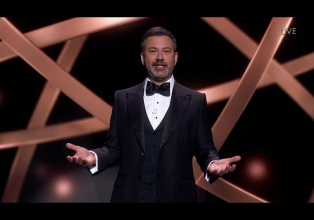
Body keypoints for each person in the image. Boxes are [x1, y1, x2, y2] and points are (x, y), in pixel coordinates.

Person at [66, 26, 241, 203]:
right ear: (143, 58)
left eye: (166, 51)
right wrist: (93, 157)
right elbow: (114, 148)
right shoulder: (122, 98)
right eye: (153, 51)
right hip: (128, 196)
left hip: (178, 197)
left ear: (175, 57)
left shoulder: (196, 101)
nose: (159, 57)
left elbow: (204, 148)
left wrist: (212, 164)